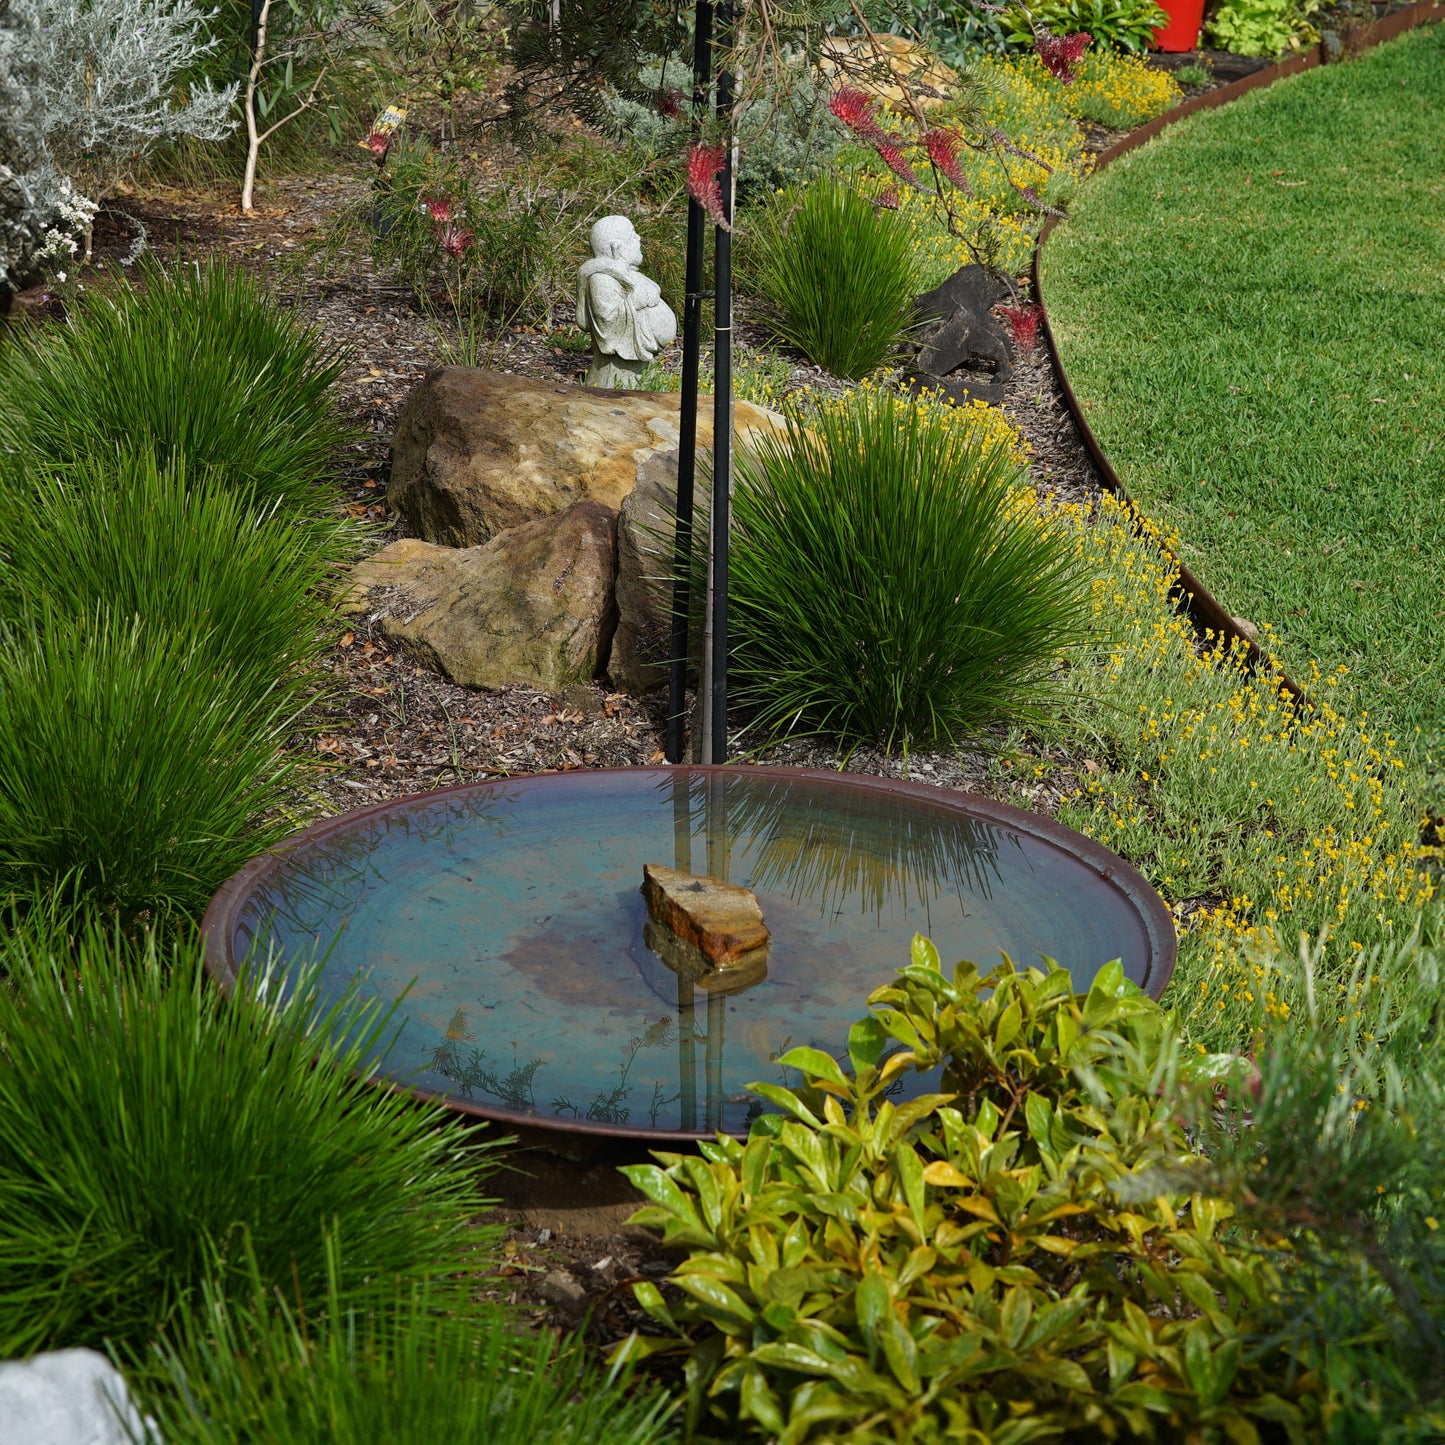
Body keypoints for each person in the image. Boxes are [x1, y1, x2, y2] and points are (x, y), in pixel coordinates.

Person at [576, 215, 677, 388]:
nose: (639, 238)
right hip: (613, 378)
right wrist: (639, 299)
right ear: (618, 248)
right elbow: (607, 320)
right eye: (633, 235)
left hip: (643, 372)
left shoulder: (627, 273)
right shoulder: (601, 280)